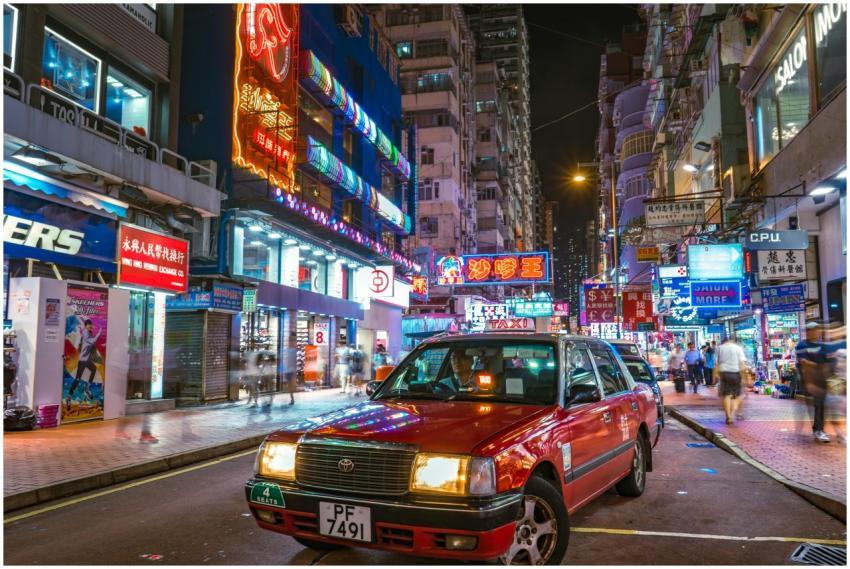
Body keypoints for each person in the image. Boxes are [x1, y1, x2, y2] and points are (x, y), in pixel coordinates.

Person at [796, 322, 831, 443]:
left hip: (822, 379)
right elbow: (804, 362)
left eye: (817, 330)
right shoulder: (802, 345)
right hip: (809, 380)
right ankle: (818, 430)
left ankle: (820, 430)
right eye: (813, 330)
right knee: (816, 404)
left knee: (822, 405)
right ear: (808, 332)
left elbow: (828, 361)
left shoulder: (823, 345)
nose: (816, 332)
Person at [67, 319, 102, 407]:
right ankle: (69, 396)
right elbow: (93, 341)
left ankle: (87, 388)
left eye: (91, 324)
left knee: (93, 369)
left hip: (86, 360)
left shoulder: (89, 333)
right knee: (77, 379)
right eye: (88, 325)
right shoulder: (86, 334)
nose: (90, 326)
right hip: (83, 361)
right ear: (86, 326)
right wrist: (99, 332)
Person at [714, 335, 749, 425]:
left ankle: (728, 416)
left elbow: (716, 363)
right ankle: (732, 414)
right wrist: (745, 377)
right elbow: (742, 363)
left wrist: (715, 375)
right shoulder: (738, 348)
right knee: (736, 396)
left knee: (726, 395)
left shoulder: (719, 348)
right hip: (735, 373)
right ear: (733, 340)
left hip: (724, 373)